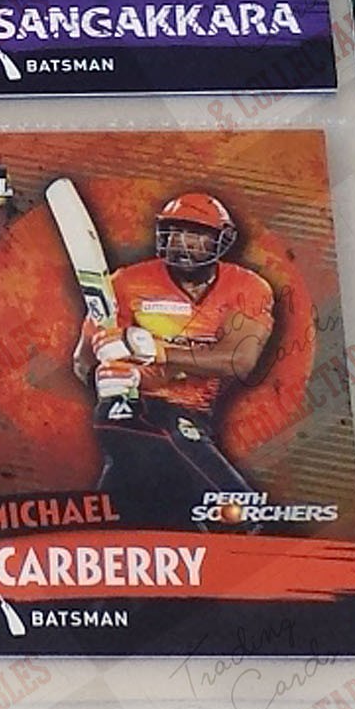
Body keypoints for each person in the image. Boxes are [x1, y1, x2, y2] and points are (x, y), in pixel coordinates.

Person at [72, 191, 274, 524]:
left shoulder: (248, 288)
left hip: (193, 416)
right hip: (133, 409)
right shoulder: (126, 282)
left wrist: (157, 351)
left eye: (195, 233)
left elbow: (239, 360)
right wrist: (108, 368)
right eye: (174, 231)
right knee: (241, 511)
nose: (181, 242)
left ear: (222, 239)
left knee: (140, 508)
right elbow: (83, 363)